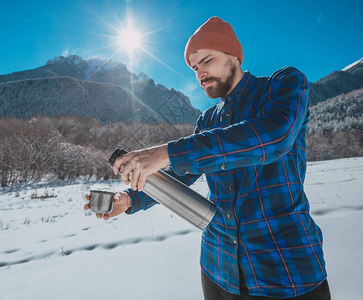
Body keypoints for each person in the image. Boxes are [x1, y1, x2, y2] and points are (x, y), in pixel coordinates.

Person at [84, 17, 331, 299]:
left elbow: (275, 136)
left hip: (284, 272)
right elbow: (181, 173)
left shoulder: (283, 85)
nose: (199, 73)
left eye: (206, 60)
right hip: (217, 269)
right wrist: (131, 199)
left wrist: (164, 153)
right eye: (194, 67)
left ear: (233, 56)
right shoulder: (208, 120)